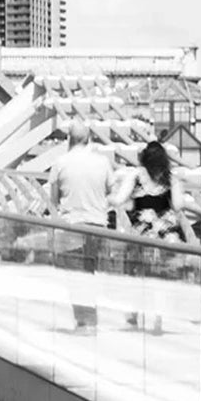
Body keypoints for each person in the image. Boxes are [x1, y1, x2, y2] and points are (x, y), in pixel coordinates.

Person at [47, 119, 121, 331]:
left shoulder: (60, 163)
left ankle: (85, 322)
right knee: (91, 275)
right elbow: (112, 193)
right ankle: (90, 320)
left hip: (72, 226)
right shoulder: (103, 162)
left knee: (76, 278)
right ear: (89, 139)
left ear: (69, 139)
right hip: (98, 225)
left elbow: (53, 199)